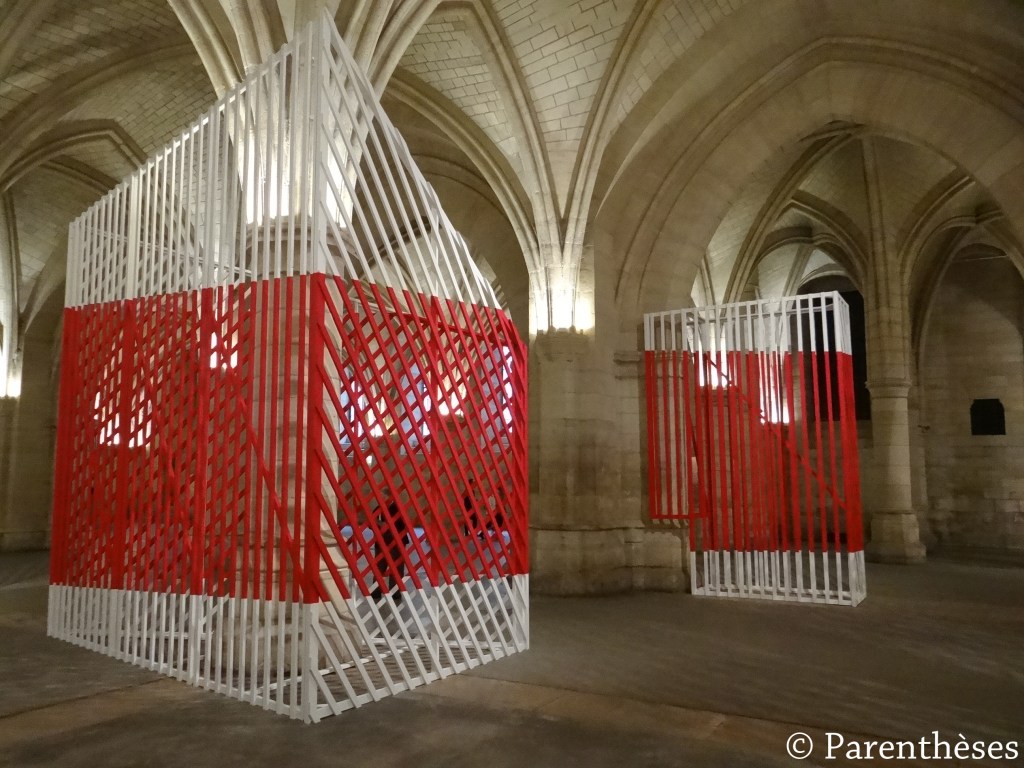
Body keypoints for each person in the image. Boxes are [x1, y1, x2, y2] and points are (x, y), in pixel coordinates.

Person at [371, 499, 408, 604]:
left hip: (394, 542)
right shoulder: (380, 508)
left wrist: (381, 524)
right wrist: (379, 524)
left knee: (391, 568)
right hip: (385, 542)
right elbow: (371, 522)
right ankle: (381, 591)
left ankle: (389, 591)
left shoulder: (396, 508)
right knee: (382, 567)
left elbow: (402, 525)